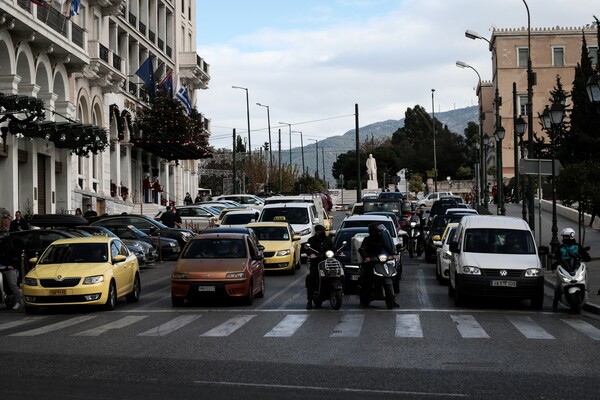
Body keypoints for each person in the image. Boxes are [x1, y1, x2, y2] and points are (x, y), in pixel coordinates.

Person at [358, 223, 399, 307]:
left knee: (393, 274)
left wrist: (394, 254)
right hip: (370, 262)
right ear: (373, 232)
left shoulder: (380, 239)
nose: (380, 233)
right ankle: (365, 298)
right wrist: (366, 257)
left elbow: (387, 247)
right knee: (368, 278)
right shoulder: (367, 239)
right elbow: (362, 249)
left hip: (379, 260)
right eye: (378, 231)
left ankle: (392, 300)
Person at [304, 224, 335, 309]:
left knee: (336, 272)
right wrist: (311, 254)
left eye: (323, 231)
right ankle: (309, 301)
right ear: (317, 231)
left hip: (327, 263)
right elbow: (307, 248)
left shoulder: (328, 240)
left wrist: (338, 253)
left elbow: (333, 249)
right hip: (316, 263)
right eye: (320, 231)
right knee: (312, 278)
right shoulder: (311, 240)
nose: (322, 232)